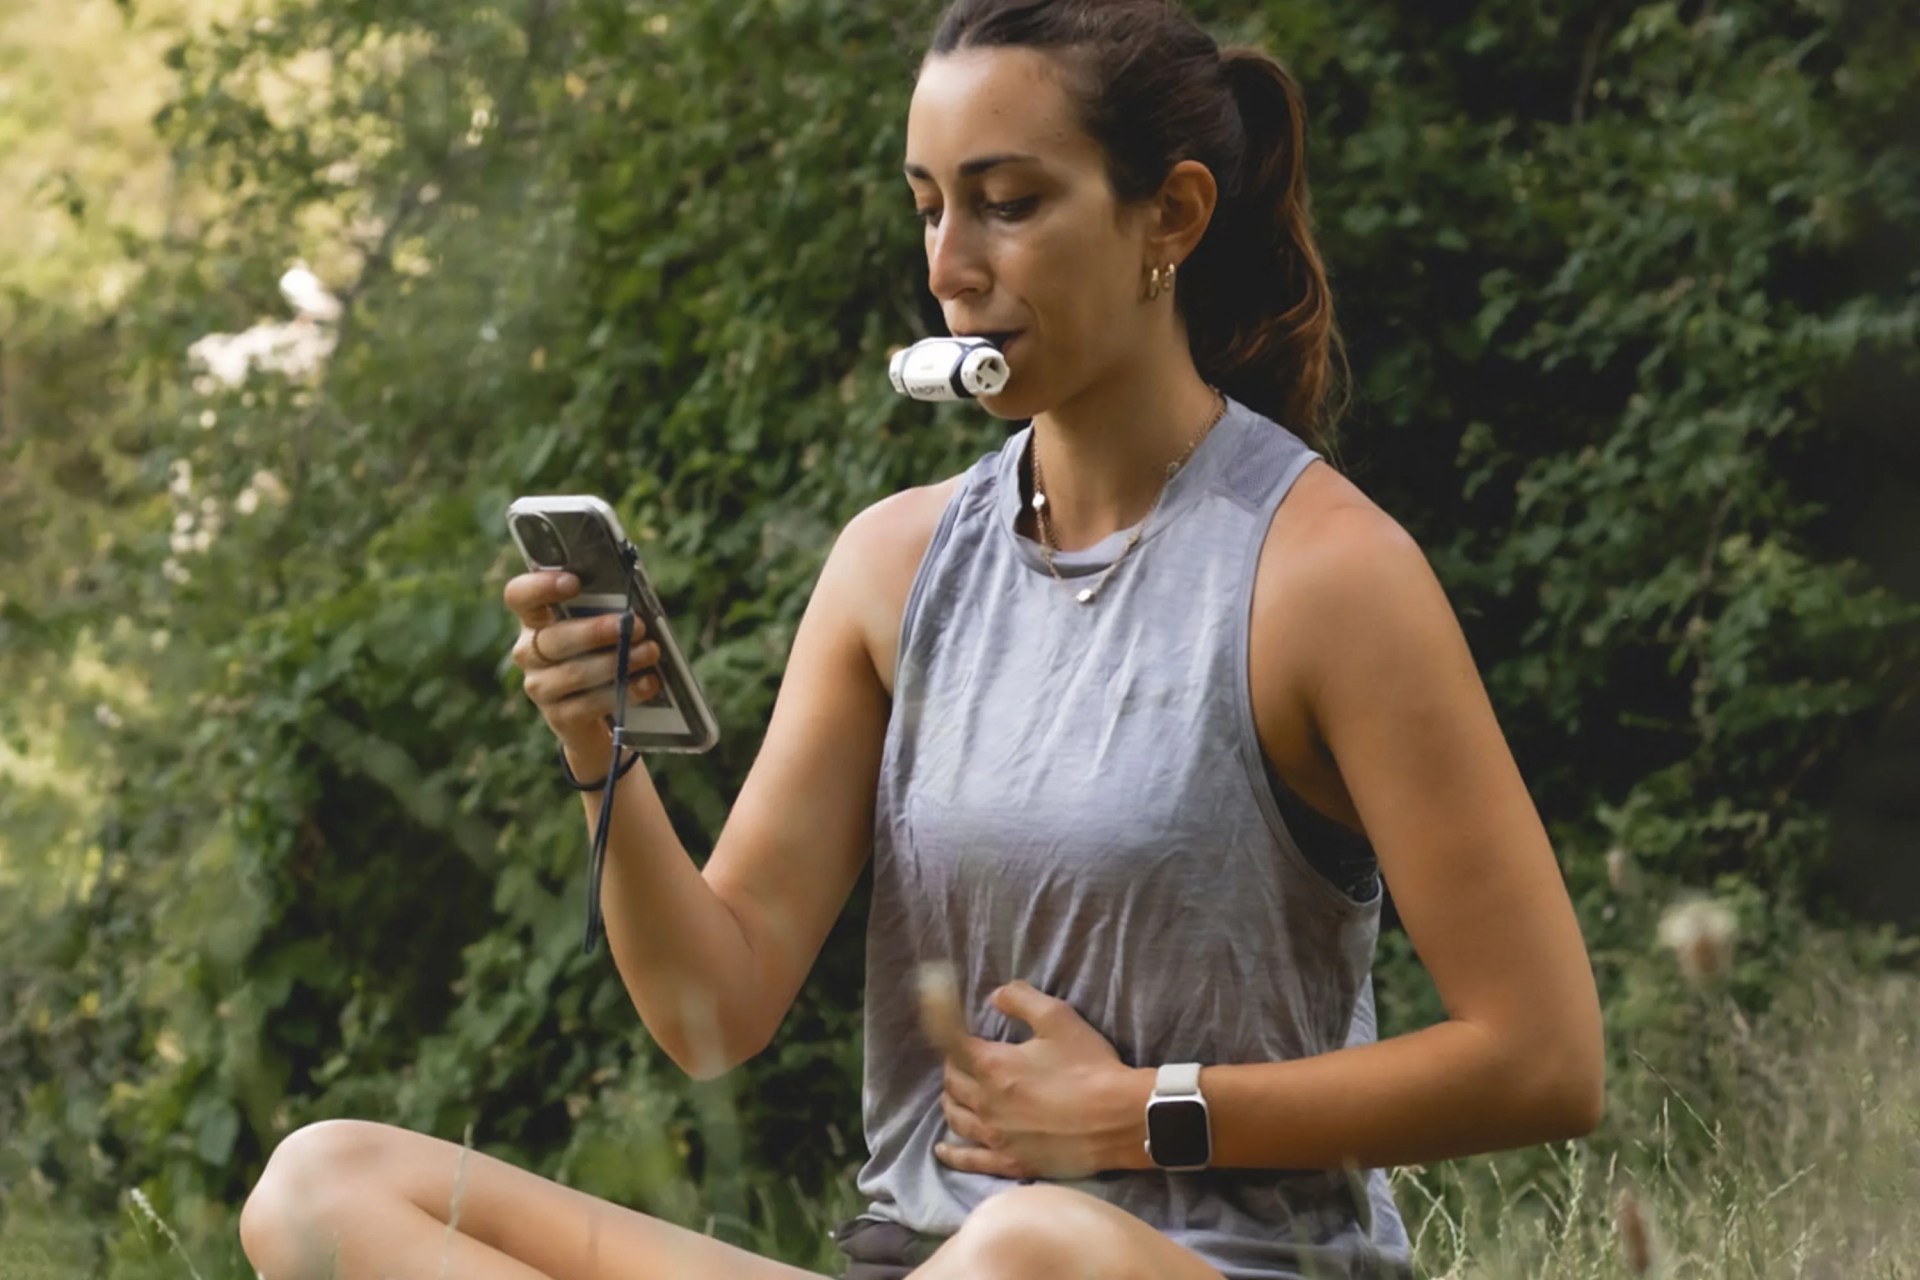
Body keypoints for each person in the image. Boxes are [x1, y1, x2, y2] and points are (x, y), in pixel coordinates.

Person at [236, 1, 1605, 1278]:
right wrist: (603, 751)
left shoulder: (1325, 576)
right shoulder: (891, 565)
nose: (952, 268)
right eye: (931, 207)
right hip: (927, 1259)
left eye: (1009, 205)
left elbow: (1544, 1059)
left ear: (1169, 218)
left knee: (1034, 1250)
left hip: (1182, 1263)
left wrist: (1141, 1116)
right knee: (322, 1186)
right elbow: (713, 1016)